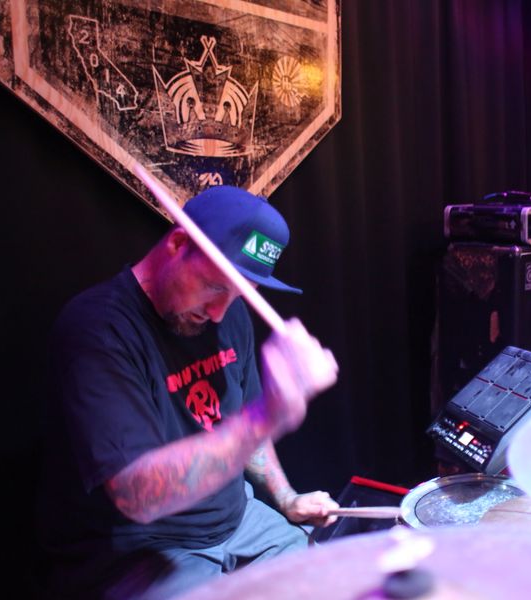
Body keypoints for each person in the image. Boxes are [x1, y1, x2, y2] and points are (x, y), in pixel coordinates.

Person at [37, 185, 340, 599]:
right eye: (215, 286)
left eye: (240, 294)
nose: (219, 312)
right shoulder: (97, 330)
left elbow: (240, 422)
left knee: (339, 581)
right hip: (142, 549)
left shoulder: (228, 314)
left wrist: (286, 498)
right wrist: (268, 414)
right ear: (178, 244)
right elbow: (138, 497)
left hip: (242, 522)